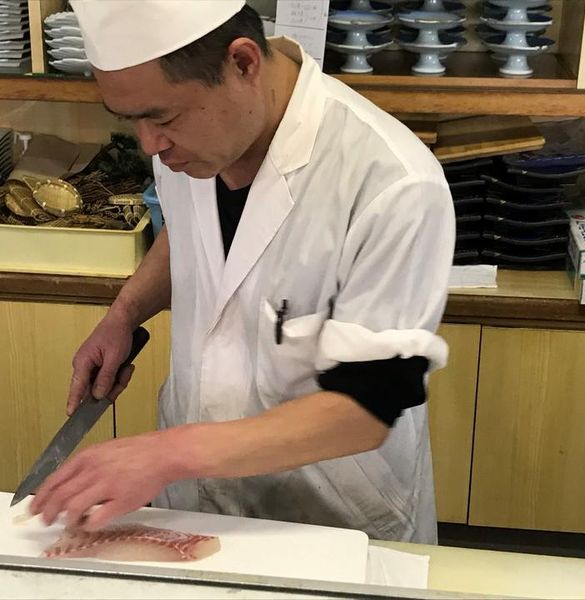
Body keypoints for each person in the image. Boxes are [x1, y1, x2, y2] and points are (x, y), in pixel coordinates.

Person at [30, 0, 454, 544]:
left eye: (162, 118)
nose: (149, 145)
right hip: (194, 501)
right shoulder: (190, 141)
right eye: (131, 119)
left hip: (333, 520)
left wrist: (167, 453)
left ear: (244, 62)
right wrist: (125, 313)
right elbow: (188, 233)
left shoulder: (392, 184)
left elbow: (365, 410)